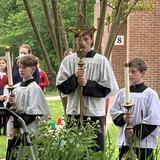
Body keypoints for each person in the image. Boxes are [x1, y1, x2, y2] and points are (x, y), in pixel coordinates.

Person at [56, 30, 118, 151]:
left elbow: (108, 88)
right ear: (75, 41)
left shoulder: (101, 61)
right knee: (73, 151)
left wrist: (87, 84)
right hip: (74, 113)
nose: (82, 43)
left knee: (94, 150)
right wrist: (74, 78)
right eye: (79, 39)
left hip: (94, 114)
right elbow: (61, 87)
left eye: (86, 39)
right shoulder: (68, 61)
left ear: (91, 40)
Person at [110, 58, 160, 160]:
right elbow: (114, 111)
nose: (130, 75)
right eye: (128, 72)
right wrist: (123, 117)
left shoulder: (150, 94)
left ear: (142, 73)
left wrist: (135, 132)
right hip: (125, 141)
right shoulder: (123, 93)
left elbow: (154, 118)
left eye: (133, 72)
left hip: (144, 143)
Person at [5, 55, 50, 160]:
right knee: (12, 155)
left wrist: (17, 123)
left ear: (33, 69)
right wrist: (9, 103)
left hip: (27, 130)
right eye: (20, 67)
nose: (21, 70)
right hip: (15, 131)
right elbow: (8, 109)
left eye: (25, 67)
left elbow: (33, 113)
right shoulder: (15, 87)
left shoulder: (34, 89)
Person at [0, 57, 8, 135]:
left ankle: (5, 131)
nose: (1, 64)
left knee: (6, 114)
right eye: (0, 63)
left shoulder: (8, 75)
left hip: (5, 96)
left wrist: (5, 96)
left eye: (3, 63)